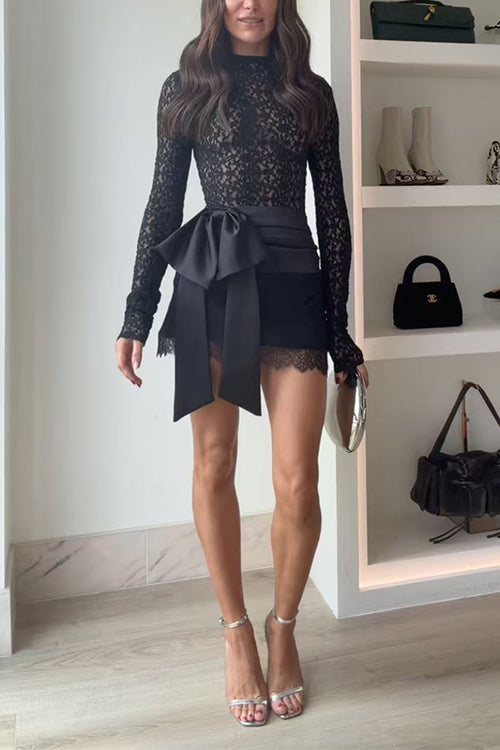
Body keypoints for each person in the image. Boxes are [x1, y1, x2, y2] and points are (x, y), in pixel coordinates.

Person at [115, 0, 370, 728]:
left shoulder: (310, 92)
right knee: (214, 463)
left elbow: (334, 215)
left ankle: (283, 627)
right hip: (213, 280)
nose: (248, 3)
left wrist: (340, 331)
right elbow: (163, 203)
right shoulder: (187, 86)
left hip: (293, 281)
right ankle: (235, 633)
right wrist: (137, 311)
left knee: (298, 482)